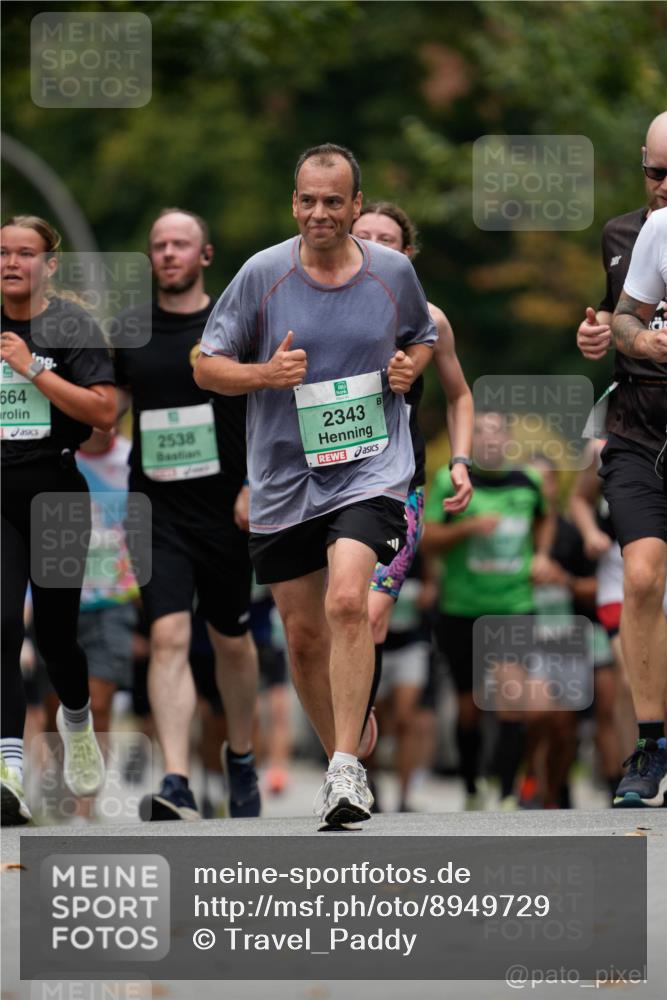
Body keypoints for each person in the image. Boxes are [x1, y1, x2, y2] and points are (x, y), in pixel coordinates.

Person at [195, 143, 437, 827]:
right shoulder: (262, 274)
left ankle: (344, 768)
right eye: (308, 200)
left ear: (357, 206)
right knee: (302, 637)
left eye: (334, 201)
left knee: (347, 600)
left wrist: (408, 368)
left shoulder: (391, 271)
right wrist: (263, 375)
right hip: (283, 479)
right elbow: (206, 366)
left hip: (370, 469)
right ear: (293, 202)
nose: (319, 213)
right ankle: (343, 751)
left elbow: (421, 337)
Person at [114, 208, 260, 821]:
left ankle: (241, 756)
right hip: (154, 509)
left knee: (230, 638)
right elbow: (105, 412)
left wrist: (255, 483)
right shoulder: (128, 331)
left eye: (181, 244)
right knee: (168, 636)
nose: (169, 253)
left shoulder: (234, 323)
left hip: (228, 508)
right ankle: (176, 779)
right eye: (159, 245)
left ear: (205, 255)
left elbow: (267, 411)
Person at [1, 215, 115, 825]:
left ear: (49, 265)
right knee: (1, 626)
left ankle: (76, 719)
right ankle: (9, 769)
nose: (11, 263)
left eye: (25, 253)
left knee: (55, 636)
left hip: (56, 491)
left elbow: (104, 411)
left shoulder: (71, 326)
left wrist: (33, 368)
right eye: (2, 253)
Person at [350, 203, 473, 752]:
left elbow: (460, 395)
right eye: (365, 236)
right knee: (326, 617)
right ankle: (345, 710)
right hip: (318, 485)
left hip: (397, 486)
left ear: (407, 254)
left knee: (372, 615)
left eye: (387, 239)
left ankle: (352, 734)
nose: (375, 247)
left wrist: (461, 460)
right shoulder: (309, 306)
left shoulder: (429, 319)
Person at [422, 411, 551, 809]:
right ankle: (472, 787)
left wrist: (542, 555)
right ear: (470, 441)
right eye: (481, 432)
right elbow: (427, 538)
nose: (490, 439)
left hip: (513, 606)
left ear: (508, 440)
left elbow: (545, 519)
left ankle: (508, 791)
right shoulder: (450, 481)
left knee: (511, 700)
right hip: (461, 608)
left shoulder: (528, 482)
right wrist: (468, 528)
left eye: (497, 432)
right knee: (469, 707)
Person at [608, 203, 667, 807]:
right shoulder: (659, 229)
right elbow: (624, 315)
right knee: (643, 576)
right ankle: (651, 744)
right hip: (641, 438)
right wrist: (645, 340)